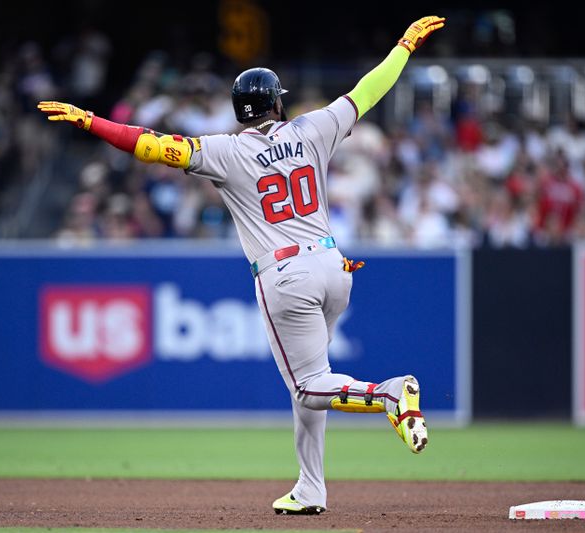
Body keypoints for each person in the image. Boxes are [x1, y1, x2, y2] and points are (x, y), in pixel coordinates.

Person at [38, 15, 445, 515]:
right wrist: (404, 45)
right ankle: (311, 488)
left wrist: (90, 122)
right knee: (313, 380)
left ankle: (388, 394)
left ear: (238, 111)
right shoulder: (313, 127)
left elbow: (148, 143)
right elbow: (369, 89)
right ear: (277, 102)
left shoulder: (224, 151)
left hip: (285, 277)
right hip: (335, 267)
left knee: (309, 386)